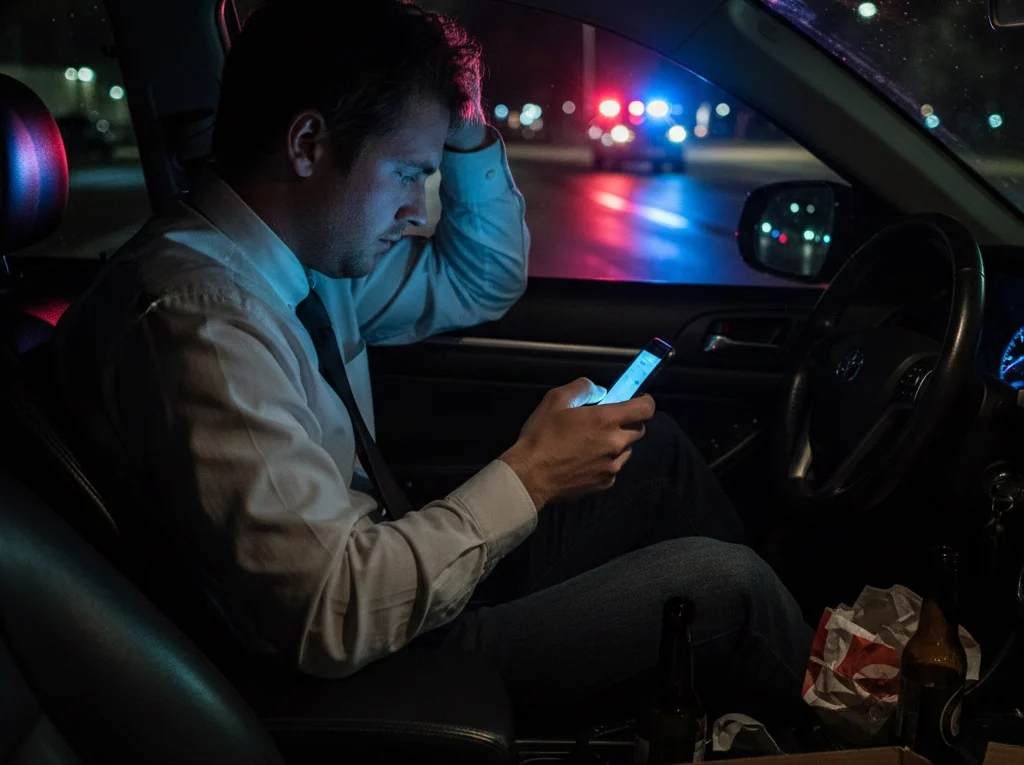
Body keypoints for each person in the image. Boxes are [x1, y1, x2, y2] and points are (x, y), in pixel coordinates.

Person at [55, 0, 812, 721]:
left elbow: (481, 279)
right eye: (409, 173)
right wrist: (533, 472)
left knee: (656, 453)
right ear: (308, 144)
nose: (420, 212)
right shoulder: (203, 320)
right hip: (362, 661)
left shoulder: (302, 263)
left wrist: (464, 123)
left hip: (386, 571)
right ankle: (846, 730)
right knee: (729, 588)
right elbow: (332, 615)